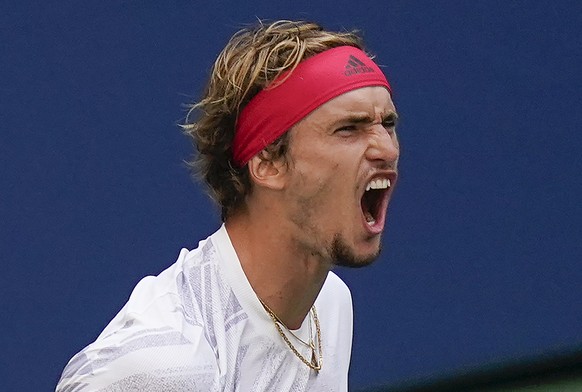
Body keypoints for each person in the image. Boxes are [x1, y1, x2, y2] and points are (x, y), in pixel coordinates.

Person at [56, 19, 399, 391]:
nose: (387, 149)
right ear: (267, 163)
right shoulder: (162, 367)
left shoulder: (328, 306)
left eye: (389, 124)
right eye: (349, 128)